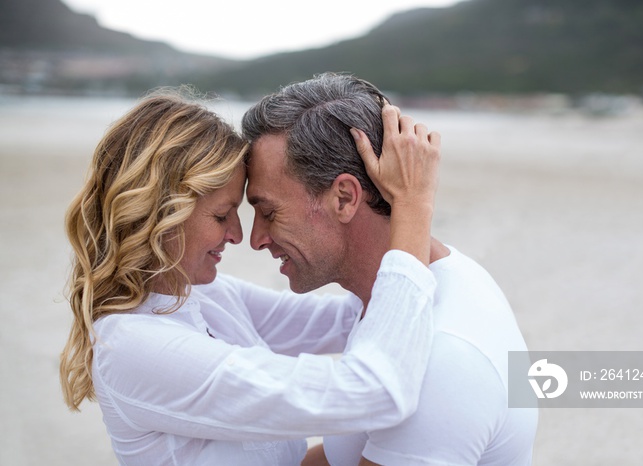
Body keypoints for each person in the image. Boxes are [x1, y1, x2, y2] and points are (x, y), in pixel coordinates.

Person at [59, 87, 441, 465]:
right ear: (160, 216)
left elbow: (350, 316)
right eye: (222, 214)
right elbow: (378, 392)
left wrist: (379, 211)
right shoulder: (132, 347)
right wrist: (412, 206)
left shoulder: (202, 294)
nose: (239, 236)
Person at [241, 72, 539, 466]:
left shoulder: (443, 358)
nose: (256, 238)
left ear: (344, 198)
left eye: (268, 211)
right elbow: (346, 455)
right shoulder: (413, 289)